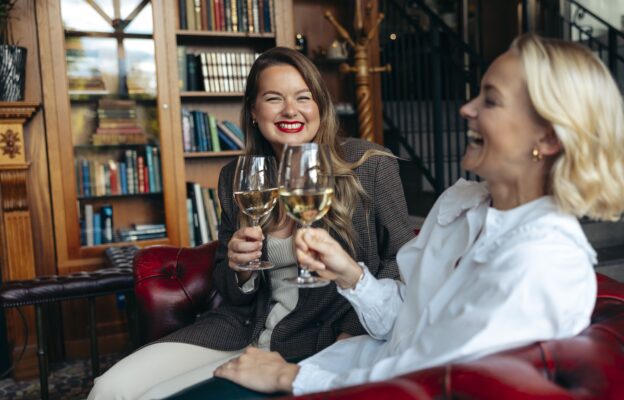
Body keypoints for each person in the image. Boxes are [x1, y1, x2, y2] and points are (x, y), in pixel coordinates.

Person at [212, 33, 624, 395]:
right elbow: (406, 319)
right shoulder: (462, 203)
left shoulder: (543, 260)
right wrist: (351, 276)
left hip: (358, 386)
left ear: (546, 138)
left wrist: (293, 376)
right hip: (349, 364)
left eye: (490, 100)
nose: (466, 109)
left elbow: (438, 378)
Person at [89, 47, 414, 399]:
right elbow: (229, 289)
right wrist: (240, 270)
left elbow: (401, 260)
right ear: (254, 112)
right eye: (274, 98)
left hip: (320, 336)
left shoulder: (370, 165)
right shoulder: (237, 177)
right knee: (110, 389)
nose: (291, 110)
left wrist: (352, 333)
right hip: (240, 329)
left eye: (303, 97)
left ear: (320, 105)